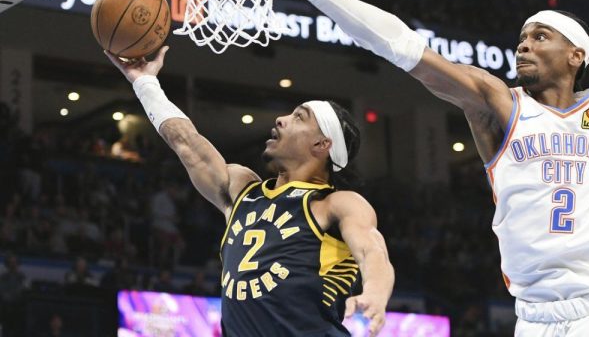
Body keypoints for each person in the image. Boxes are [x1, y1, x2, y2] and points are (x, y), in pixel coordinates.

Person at [247, 0, 589, 336]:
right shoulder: (500, 106)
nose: (524, 45)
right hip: (533, 314)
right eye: (522, 38)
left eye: (540, 36)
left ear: (576, 56)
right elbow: (405, 47)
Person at [104, 48, 394, 337]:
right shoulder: (243, 189)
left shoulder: (335, 203)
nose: (281, 119)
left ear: (321, 144)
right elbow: (187, 144)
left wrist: (375, 295)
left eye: (299, 117)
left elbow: (372, 250)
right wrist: (145, 83)